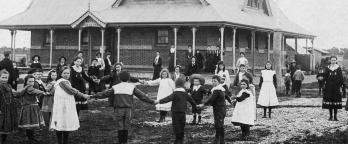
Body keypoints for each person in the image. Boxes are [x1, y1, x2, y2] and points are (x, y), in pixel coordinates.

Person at [92, 71, 155, 144]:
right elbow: (142, 96)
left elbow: (104, 94)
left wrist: (93, 96)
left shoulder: (115, 87)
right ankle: (125, 142)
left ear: (119, 78)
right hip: (128, 109)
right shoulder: (132, 87)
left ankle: (120, 141)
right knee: (126, 125)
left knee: (120, 125)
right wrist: (152, 101)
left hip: (118, 109)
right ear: (128, 78)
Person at [50, 66, 91, 144]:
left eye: (68, 73)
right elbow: (72, 90)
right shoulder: (62, 82)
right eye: (64, 73)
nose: (66, 74)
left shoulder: (64, 82)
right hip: (62, 106)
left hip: (66, 105)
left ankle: (65, 141)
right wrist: (83, 95)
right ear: (61, 74)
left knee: (66, 122)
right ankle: (60, 141)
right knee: (60, 122)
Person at [155, 77, 197, 144]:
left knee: (176, 125)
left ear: (176, 84)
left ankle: (177, 139)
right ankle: (181, 138)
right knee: (182, 124)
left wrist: (159, 101)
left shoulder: (175, 93)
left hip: (175, 112)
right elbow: (192, 101)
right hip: (183, 112)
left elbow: (168, 98)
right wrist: (196, 106)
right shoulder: (185, 93)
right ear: (183, 84)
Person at [198, 75, 232, 144]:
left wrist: (203, 104)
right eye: (212, 81)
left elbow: (211, 99)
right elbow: (226, 96)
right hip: (222, 109)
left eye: (215, 81)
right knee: (220, 124)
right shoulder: (221, 88)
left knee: (218, 125)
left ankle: (217, 140)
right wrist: (230, 101)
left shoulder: (217, 90)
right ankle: (221, 140)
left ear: (219, 82)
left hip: (219, 110)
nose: (213, 82)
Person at [19, 74, 48, 143]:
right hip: (29, 108)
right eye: (30, 81)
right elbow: (35, 91)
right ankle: (30, 138)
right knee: (29, 123)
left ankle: (31, 137)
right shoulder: (28, 88)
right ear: (26, 82)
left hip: (32, 107)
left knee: (31, 123)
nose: (31, 83)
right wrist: (43, 92)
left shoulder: (29, 87)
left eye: (32, 81)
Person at [0, 70, 19, 144]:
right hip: (2, 107)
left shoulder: (9, 85)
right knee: (1, 122)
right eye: (2, 77)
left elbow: (12, 94)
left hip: (9, 107)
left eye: (6, 77)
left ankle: (4, 138)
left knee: (7, 123)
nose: (4, 79)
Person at [322, 56, 343, 121]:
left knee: (335, 102)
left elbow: (341, 78)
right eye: (332, 60)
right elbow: (325, 77)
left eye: (334, 60)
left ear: (336, 61)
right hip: (329, 88)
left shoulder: (338, 68)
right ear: (330, 61)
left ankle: (335, 116)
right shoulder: (327, 68)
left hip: (336, 88)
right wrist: (324, 83)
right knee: (330, 102)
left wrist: (340, 86)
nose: (333, 61)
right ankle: (330, 116)